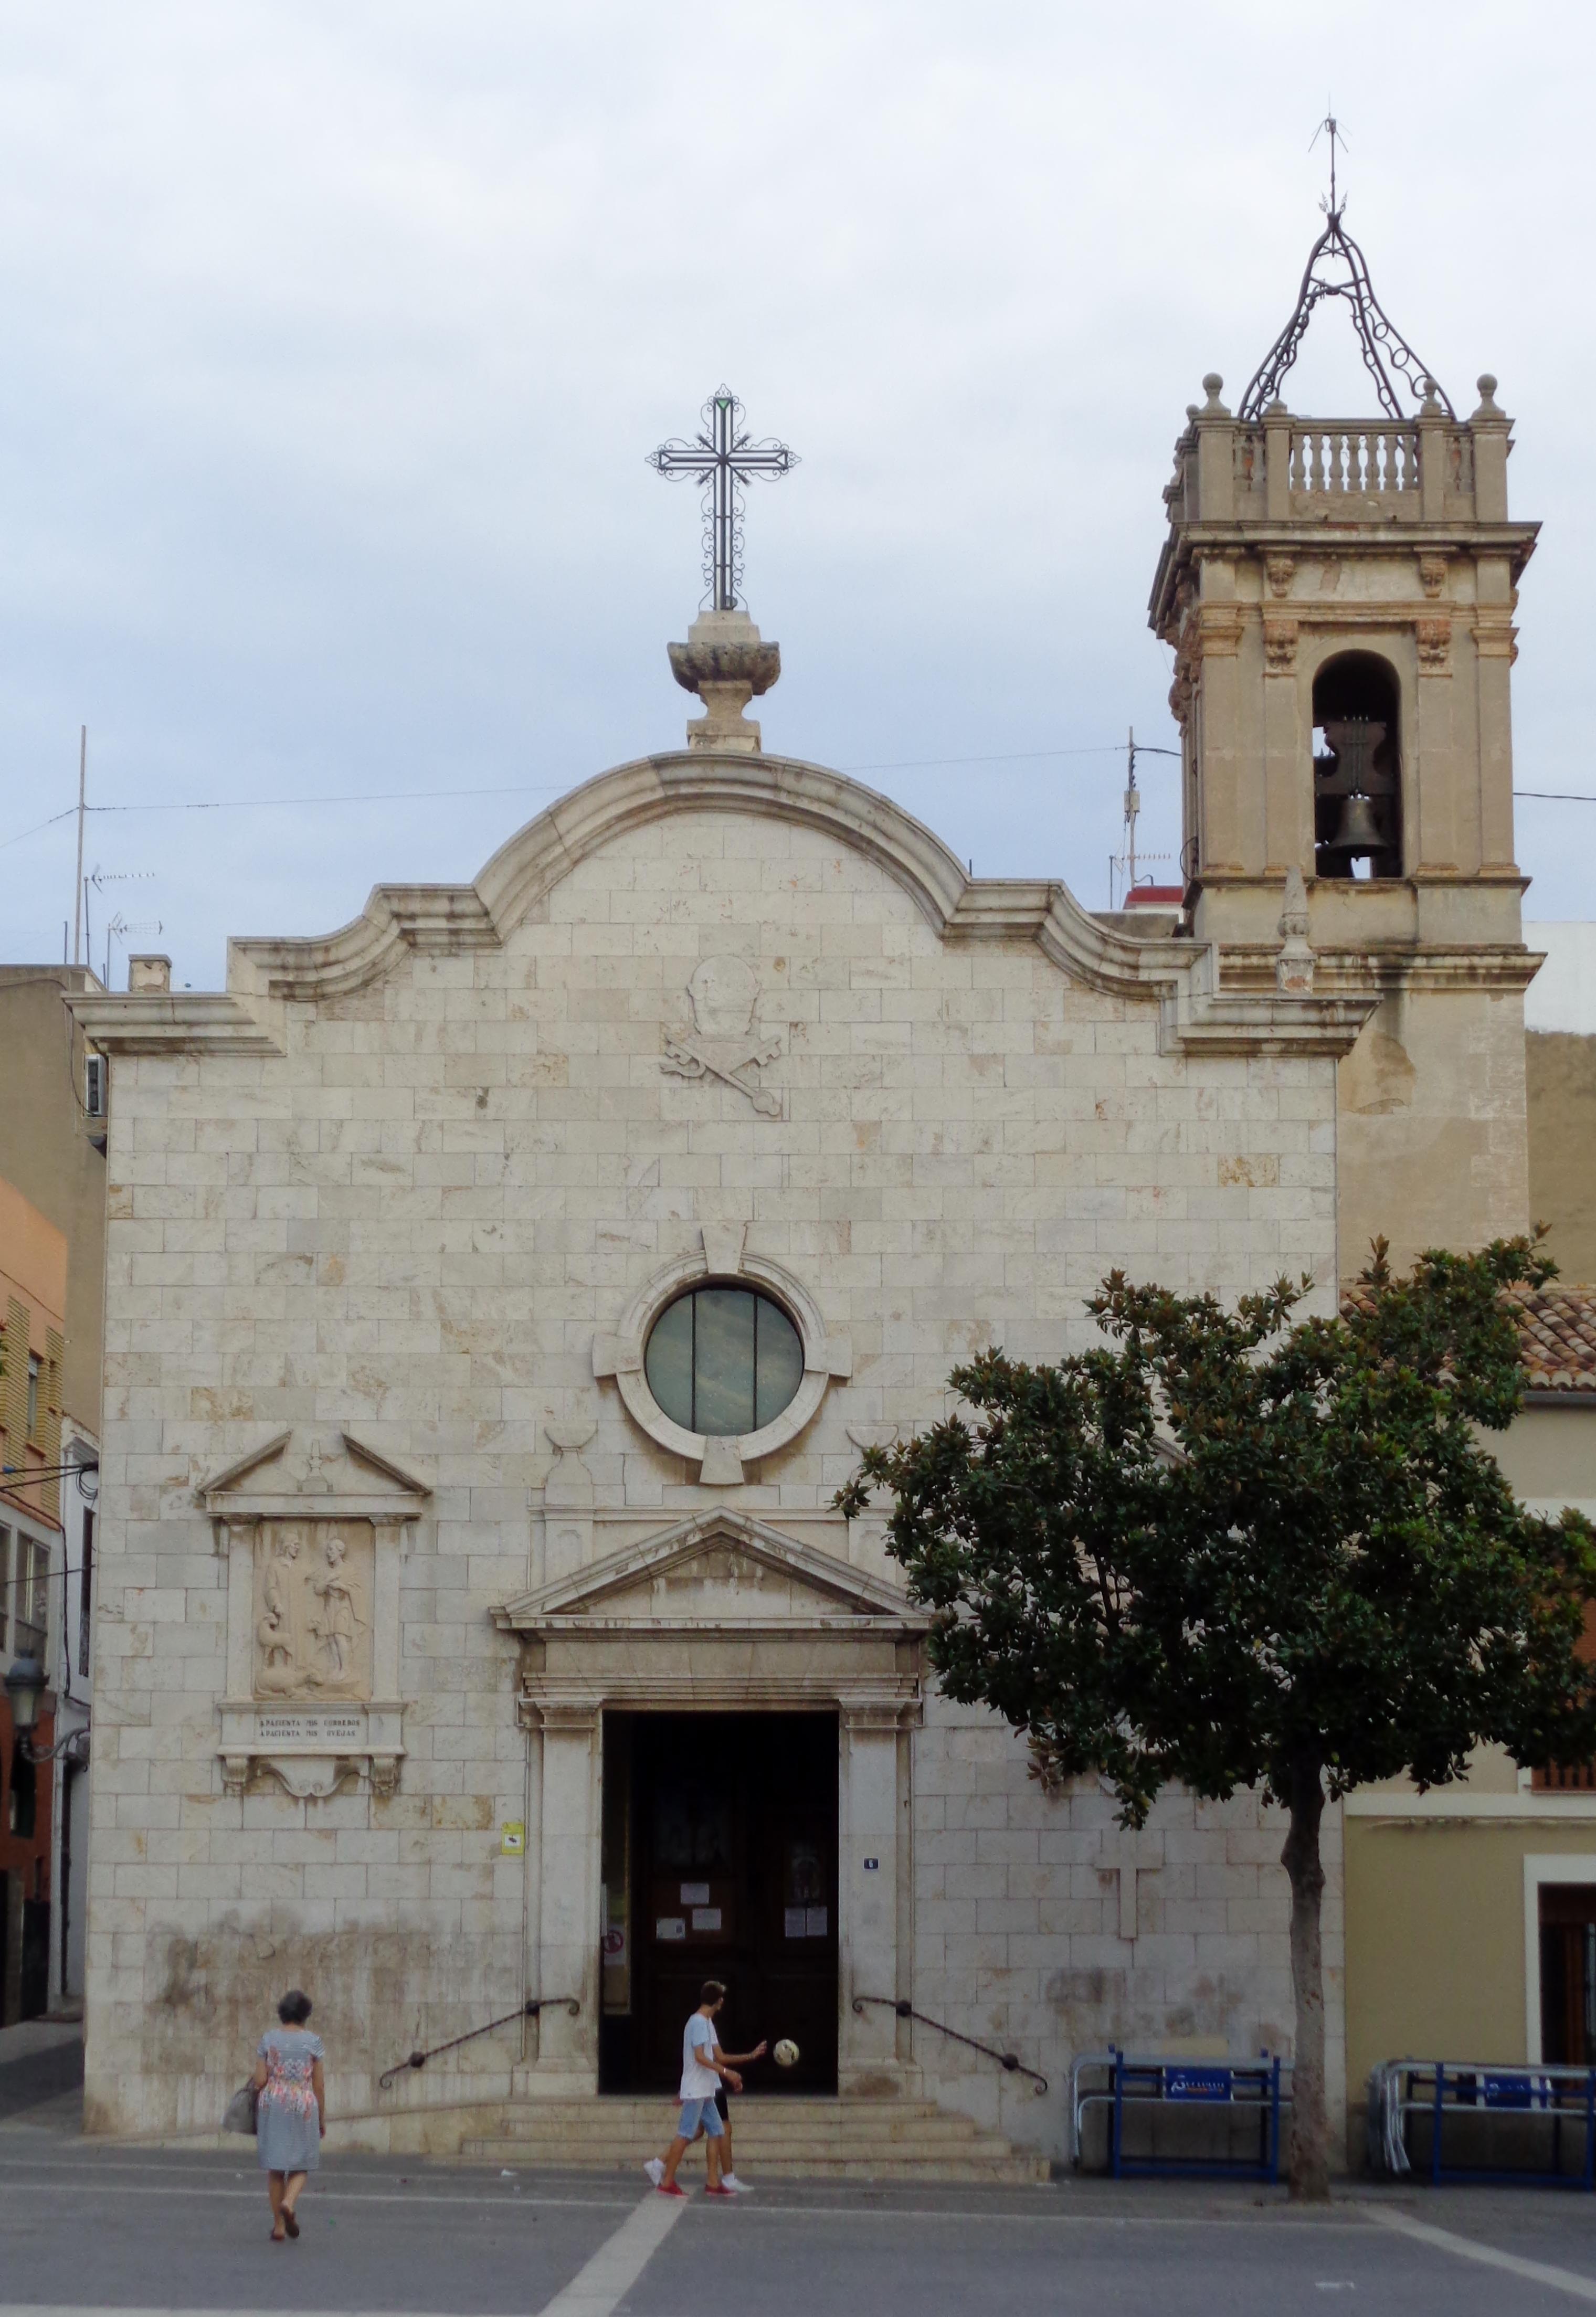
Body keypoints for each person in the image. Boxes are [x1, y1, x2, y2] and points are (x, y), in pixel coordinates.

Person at [644, 1980, 762, 2197]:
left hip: (706, 2089)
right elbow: (699, 2057)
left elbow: (719, 2056)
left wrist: (749, 2057)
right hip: (697, 2089)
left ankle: (713, 2184)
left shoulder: (706, 2023)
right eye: (722, 1999)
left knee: (717, 2130)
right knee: (686, 2133)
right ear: (719, 2001)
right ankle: (666, 2181)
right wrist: (727, 2073)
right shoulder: (698, 2023)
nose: (723, 2003)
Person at [252, 1988, 325, 2241]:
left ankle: (279, 2227)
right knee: (302, 2162)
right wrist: (322, 2119)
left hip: (273, 2102)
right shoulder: (313, 2042)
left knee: (275, 2167)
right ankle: (290, 2203)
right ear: (306, 2014)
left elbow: (260, 2079)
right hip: (302, 2102)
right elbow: (319, 2085)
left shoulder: (268, 2039)